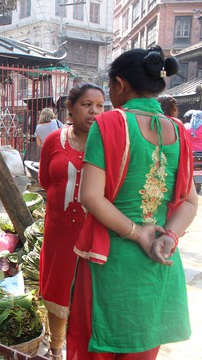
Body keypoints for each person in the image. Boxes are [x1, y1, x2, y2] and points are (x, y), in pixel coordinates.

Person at [69, 45, 197, 359]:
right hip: (159, 263)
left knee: (96, 346)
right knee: (142, 348)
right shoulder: (179, 131)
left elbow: (90, 197)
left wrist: (138, 233)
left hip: (111, 261)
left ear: (120, 85)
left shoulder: (110, 124)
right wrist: (168, 236)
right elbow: (190, 202)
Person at [38, 83, 105, 359]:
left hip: (94, 230)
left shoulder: (107, 143)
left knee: (88, 294)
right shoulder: (54, 140)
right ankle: (56, 349)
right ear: (71, 108)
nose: (94, 111)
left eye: (100, 106)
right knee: (58, 286)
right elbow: (45, 179)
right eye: (87, 105)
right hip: (59, 229)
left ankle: (81, 350)